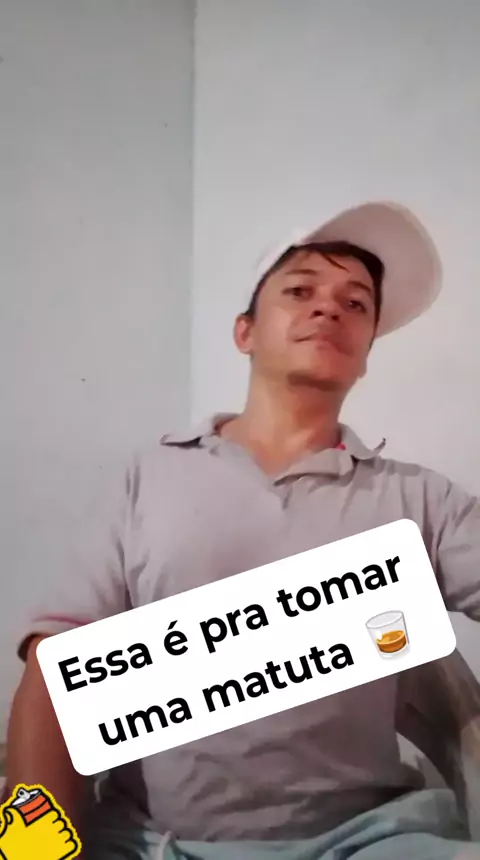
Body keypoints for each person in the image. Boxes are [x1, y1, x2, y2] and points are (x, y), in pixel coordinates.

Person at [6, 201, 480, 860]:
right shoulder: (144, 479)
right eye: (301, 291)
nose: (330, 308)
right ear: (245, 332)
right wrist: (33, 850)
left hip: (371, 838)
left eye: (355, 303)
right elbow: (56, 674)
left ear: (366, 355)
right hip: (151, 842)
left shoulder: (421, 500)